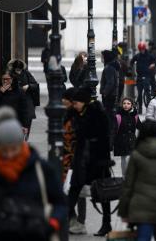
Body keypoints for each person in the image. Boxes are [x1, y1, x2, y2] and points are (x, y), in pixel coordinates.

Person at [0, 118, 67, 240]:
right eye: (5, 150)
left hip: (35, 234)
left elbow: (60, 202)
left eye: (14, 149)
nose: (10, 154)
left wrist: (51, 224)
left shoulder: (40, 168)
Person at [68, 88, 113, 236]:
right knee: (73, 190)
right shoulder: (75, 113)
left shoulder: (97, 114)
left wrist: (105, 160)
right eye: (73, 103)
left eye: (76, 103)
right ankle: (65, 219)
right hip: (81, 160)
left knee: (103, 193)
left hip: (97, 160)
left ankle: (107, 224)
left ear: (84, 102)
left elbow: (105, 138)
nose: (74, 105)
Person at [61, 87, 88, 235]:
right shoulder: (67, 114)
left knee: (78, 192)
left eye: (64, 99)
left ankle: (79, 221)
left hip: (74, 160)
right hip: (66, 159)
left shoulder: (77, 117)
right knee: (70, 191)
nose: (61, 101)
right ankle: (73, 219)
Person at [8, 59, 39, 138]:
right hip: (15, 100)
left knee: (28, 118)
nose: (18, 72)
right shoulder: (9, 74)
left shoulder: (26, 73)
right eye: (17, 70)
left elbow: (35, 84)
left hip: (27, 99)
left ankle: (26, 136)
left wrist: (28, 86)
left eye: (20, 70)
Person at [114, 97, 141, 175]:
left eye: (128, 103)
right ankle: (125, 177)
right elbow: (113, 130)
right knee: (124, 159)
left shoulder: (135, 115)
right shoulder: (118, 116)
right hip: (121, 141)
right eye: (124, 103)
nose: (126, 105)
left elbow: (140, 126)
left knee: (130, 159)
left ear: (132, 105)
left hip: (132, 140)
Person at [131, 41, 156, 110]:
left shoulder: (149, 55)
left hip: (147, 76)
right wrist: (130, 69)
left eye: (142, 49)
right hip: (139, 76)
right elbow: (132, 61)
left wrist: (153, 64)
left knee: (147, 92)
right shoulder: (137, 56)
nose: (141, 51)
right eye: (140, 50)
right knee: (139, 94)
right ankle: (140, 107)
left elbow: (155, 60)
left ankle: (149, 108)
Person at [100, 50, 120, 114]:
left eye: (102, 57)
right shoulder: (111, 66)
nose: (101, 58)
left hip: (109, 95)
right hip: (112, 94)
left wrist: (105, 93)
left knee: (108, 114)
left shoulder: (108, 68)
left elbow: (110, 82)